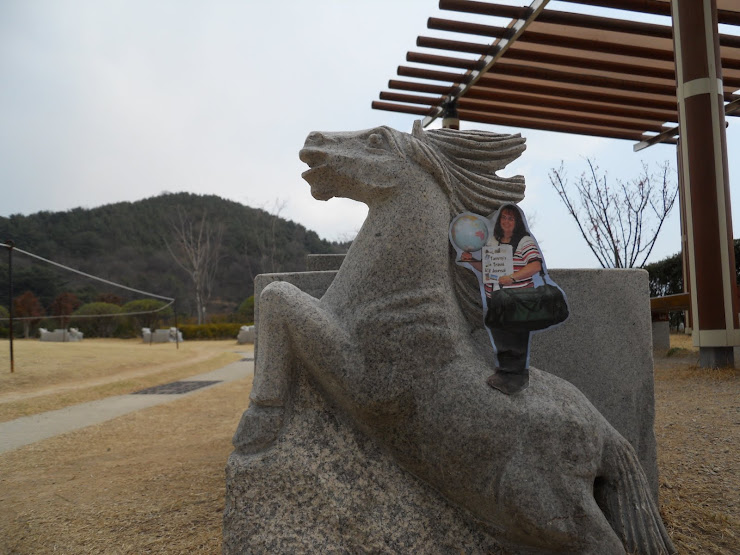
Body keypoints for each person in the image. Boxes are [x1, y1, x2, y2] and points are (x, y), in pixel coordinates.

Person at [460, 204, 543, 394]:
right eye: (503, 218)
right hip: (496, 298)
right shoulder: (493, 243)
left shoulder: (524, 242)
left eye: (511, 218)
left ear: (517, 222)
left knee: (516, 338)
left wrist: (512, 277)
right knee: (501, 337)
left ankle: (516, 378)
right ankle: (505, 374)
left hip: (518, 299)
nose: (506, 221)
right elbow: (490, 270)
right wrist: (471, 261)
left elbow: (535, 266)